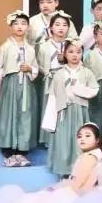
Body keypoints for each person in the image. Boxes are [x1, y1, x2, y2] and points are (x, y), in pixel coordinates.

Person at [0, 10, 40, 168]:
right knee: (9, 115)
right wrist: (7, 75)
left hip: (26, 86)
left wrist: (30, 69)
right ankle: (9, 153)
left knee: (25, 115)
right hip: (11, 86)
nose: (20, 26)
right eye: (16, 23)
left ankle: (22, 152)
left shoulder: (30, 49)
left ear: (28, 27)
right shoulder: (6, 47)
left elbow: (36, 68)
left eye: (23, 23)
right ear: (11, 26)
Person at [45, 40, 100, 176]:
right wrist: (50, 121)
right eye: (71, 52)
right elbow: (53, 97)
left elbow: (94, 90)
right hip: (63, 113)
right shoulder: (59, 74)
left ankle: (81, 171)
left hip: (80, 112)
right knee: (63, 141)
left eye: (78, 52)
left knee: (81, 140)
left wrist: (78, 89)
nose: (75, 55)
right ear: (64, 54)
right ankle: (64, 172)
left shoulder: (87, 72)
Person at [36, 11, 74, 146]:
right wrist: (48, 73)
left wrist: (66, 60)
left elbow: (78, 62)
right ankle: (49, 140)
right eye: (57, 24)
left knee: (66, 107)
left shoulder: (71, 45)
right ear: (51, 27)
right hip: (51, 79)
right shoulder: (44, 46)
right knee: (50, 108)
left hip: (67, 79)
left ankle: (66, 137)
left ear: (68, 28)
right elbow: (39, 65)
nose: (61, 28)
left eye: (64, 25)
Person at [66, 123, 102, 193]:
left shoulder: (90, 157)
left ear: (97, 139)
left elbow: (78, 184)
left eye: (87, 136)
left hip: (83, 195)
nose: (82, 139)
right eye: (79, 136)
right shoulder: (95, 154)